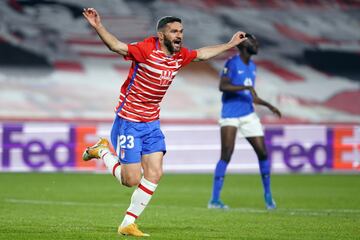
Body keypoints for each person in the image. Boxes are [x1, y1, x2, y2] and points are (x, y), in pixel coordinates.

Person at [81, 8, 248, 237]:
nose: (179, 35)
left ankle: (128, 223)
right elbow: (116, 46)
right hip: (129, 120)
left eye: (181, 31)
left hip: (151, 122)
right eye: (174, 31)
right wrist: (98, 26)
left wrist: (230, 44)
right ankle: (101, 151)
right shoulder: (145, 50)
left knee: (155, 173)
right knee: (130, 180)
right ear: (161, 35)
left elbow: (202, 54)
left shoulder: (179, 56)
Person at [208, 33, 281, 210]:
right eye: (252, 41)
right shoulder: (232, 63)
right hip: (230, 115)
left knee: (263, 153)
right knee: (226, 154)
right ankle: (214, 200)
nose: (256, 43)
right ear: (242, 45)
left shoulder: (253, 67)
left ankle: (268, 196)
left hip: (249, 115)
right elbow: (223, 86)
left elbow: (251, 95)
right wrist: (246, 87)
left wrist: (269, 105)